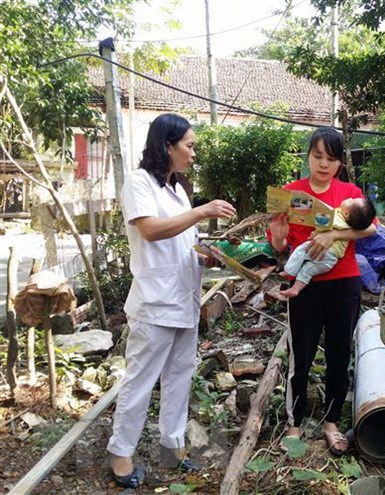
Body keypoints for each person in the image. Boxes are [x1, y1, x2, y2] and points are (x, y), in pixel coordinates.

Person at [107, 114, 236, 488]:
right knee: (141, 380)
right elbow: (149, 231)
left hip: (184, 298)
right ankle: (120, 452)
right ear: (167, 146)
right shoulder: (139, 182)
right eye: (189, 146)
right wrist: (202, 210)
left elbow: (182, 244)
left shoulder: (177, 189)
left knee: (180, 376)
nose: (193, 153)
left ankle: (172, 445)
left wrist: (208, 256)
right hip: (154, 301)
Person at [268, 126, 376, 455]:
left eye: (331, 158)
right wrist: (279, 237)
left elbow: (370, 228)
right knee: (301, 355)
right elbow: (279, 246)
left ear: (339, 162)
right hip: (306, 284)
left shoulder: (349, 191)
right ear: (308, 157)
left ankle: (331, 423)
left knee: (339, 354)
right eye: (317, 156)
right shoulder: (290, 192)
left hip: (345, 282)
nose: (323, 164)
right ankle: (295, 424)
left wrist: (334, 236)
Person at [280, 196, 376, 298]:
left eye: (351, 201)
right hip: (331, 260)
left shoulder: (337, 219)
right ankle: (295, 288)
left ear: (347, 213)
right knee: (307, 270)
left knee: (300, 251)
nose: (350, 198)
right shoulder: (349, 223)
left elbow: (319, 216)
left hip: (326, 254)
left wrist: (294, 204)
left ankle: (289, 271)